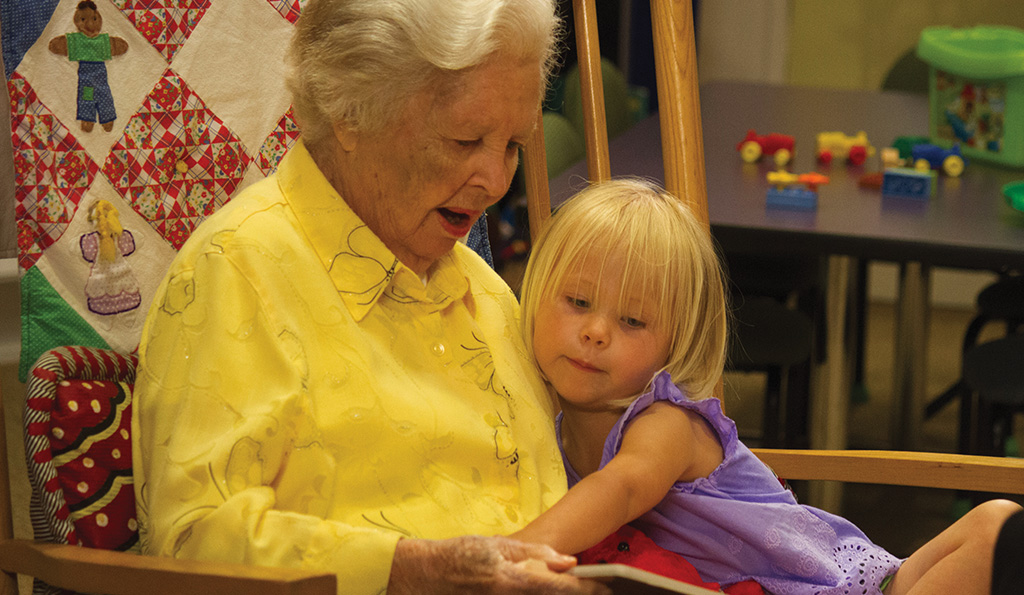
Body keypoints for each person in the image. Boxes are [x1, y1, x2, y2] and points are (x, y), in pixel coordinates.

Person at [130, 1, 609, 594]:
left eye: (514, 145)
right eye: (464, 140)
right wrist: (414, 572)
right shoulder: (235, 271)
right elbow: (192, 543)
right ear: (349, 112)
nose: (494, 180)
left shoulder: (485, 291)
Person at [511, 178, 1023, 595]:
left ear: (675, 344)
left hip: (843, 584)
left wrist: (508, 554)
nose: (595, 331)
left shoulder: (665, 422)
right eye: (578, 301)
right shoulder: (539, 426)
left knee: (996, 524)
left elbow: (620, 490)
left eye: (631, 321)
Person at [48, 0, 128, 132]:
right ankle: (88, 119)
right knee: (87, 97)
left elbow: (116, 45)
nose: (90, 24)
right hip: (86, 78)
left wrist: (120, 45)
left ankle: (107, 118)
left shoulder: (102, 41)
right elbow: (62, 45)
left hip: (100, 76)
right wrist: (58, 45)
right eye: (83, 19)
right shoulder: (77, 40)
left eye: (94, 19)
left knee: (104, 95)